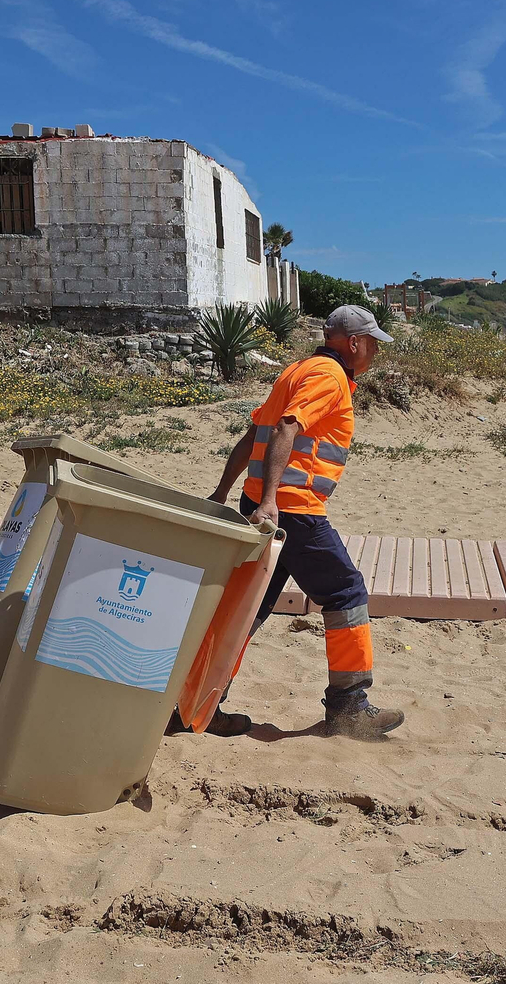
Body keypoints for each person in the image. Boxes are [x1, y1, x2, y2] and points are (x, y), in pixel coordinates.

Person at [189, 304, 406, 740]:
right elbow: (287, 426)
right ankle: (350, 708)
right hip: (293, 510)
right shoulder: (329, 378)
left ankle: (195, 706)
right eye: (374, 345)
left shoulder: (296, 371)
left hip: (266, 506)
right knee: (346, 591)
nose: (376, 353)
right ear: (355, 343)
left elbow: (254, 435)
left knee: (245, 608)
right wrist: (270, 499)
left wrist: (226, 490)